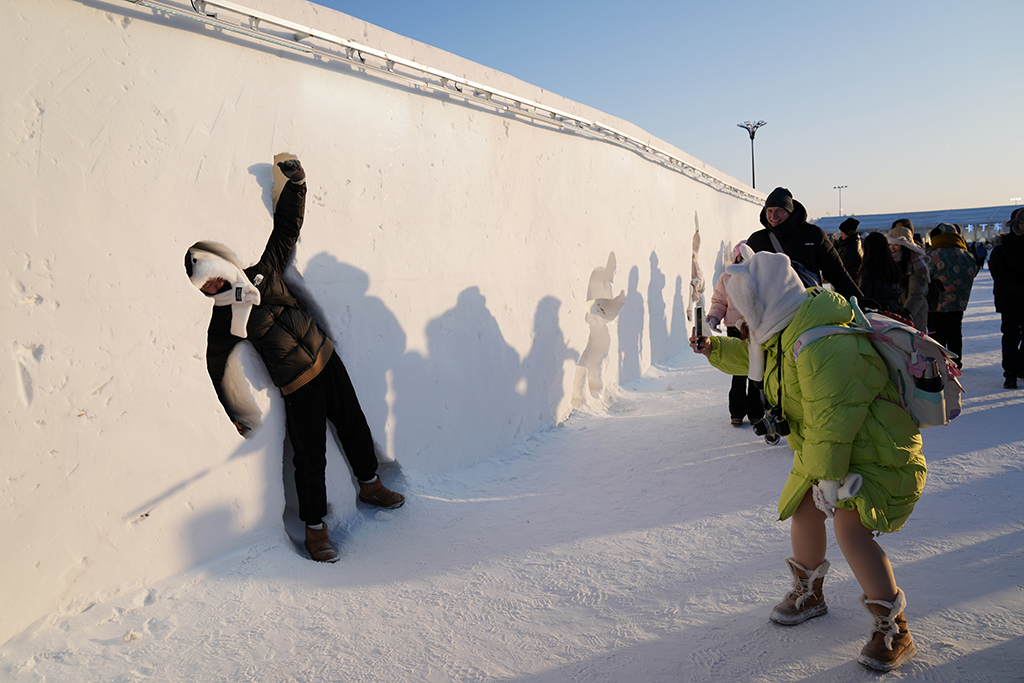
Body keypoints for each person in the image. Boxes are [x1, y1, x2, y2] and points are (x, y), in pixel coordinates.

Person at [689, 246, 925, 672]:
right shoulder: (786, 329)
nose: (737, 327)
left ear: (762, 305)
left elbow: (834, 420)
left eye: (739, 318)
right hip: (827, 445)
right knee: (803, 508)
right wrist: (714, 349)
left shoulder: (824, 343)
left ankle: (894, 627)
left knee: (849, 527)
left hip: (873, 448)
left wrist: (829, 481)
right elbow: (760, 359)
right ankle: (810, 593)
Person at [184, 158, 404, 564]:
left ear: (220, 265)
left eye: (213, 276)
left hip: (326, 359)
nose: (213, 286)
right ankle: (316, 529)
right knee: (309, 457)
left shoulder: (262, 273)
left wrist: (295, 184)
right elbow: (217, 364)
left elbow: (286, 230)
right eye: (206, 286)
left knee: (353, 423)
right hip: (296, 386)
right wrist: (233, 411)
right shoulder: (223, 319)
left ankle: (371, 485)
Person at [746, 187, 863, 301]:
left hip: (809, 306)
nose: (773, 216)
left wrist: (860, 300)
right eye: (769, 211)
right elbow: (746, 277)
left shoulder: (813, 235)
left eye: (779, 210)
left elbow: (836, 272)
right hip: (772, 311)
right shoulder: (757, 240)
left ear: (790, 211)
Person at [706, 241, 763, 427]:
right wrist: (714, 316)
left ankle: (757, 411)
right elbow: (719, 301)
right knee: (738, 371)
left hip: (755, 327)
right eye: (740, 257)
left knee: (756, 371)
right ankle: (737, 412)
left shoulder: (759, 277)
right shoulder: (726, 277)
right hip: (734, 328)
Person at [926, 223, 978, 369]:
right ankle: (956, 362)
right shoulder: (966, 254)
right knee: (955, 331)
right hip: (959, 302)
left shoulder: (933, 254)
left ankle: (939, 361)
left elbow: (924, 275)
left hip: (937, 301)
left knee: (937, 332)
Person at [988, 208, 1024, 389]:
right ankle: (1010, 373)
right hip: (1009, 301)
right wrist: (1019, 289)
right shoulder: (1002, 247)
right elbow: (999, 276)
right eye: (1022, 223)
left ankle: (1021, 369)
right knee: (1011, 338)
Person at [888, 219, 930, 331]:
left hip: (913, 315)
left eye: (896, 244)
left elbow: (916, 293)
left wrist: (905, 315)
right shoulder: (892, 262)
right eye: (890, 244)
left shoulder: (915, 264)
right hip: (898, 315)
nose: (892, 248)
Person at [857, 232, 906, 318]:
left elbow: (865, 297)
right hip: (895, 312)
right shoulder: (894, 267)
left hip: (876, 315)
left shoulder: (869, 270)